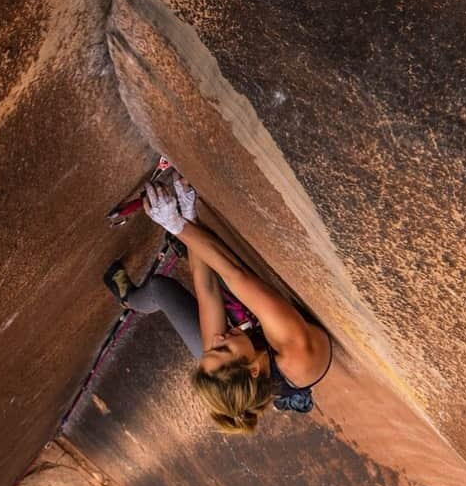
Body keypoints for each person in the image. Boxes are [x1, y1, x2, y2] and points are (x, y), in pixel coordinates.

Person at [104, 173, 332, 433]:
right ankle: (130, 299)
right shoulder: (295, 353)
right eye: (220, 350)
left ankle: (143, 288)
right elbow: (236, 273)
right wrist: (178, 225)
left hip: (249, 343)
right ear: (254, 369)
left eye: (210, 352)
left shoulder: (223, 357)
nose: (216, 339)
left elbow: (207, 289)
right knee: (222, 272)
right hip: (271, 340)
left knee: (160, 287)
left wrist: (190, 219)